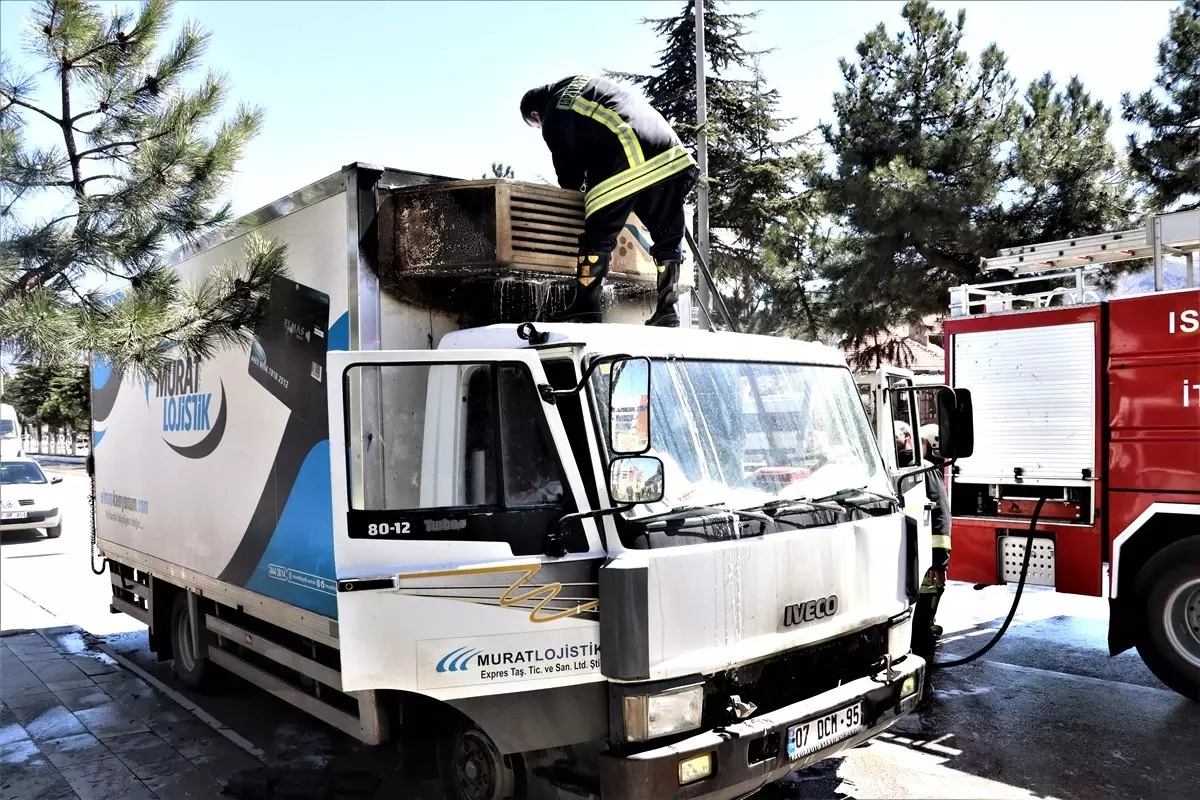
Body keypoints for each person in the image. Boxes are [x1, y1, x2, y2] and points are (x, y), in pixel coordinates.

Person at [520, 75, 700, 326]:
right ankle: (667, 310)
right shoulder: (585, 85)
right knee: (667, 235)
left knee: (597, 235)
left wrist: (583, 190)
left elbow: (568, 173)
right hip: (670, 154)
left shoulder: (554, 110)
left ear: (535, 116)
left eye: (536, 126)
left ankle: (586, 306)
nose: (540, 128)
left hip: (626, 150)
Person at [894, 420, 951, 708]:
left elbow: (940, 517)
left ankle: (923, 687)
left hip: (928, 566)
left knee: (921, 628)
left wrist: (939, 564)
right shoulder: (900, 471)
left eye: (898, 439)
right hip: (910, 565)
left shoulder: (925, 470)